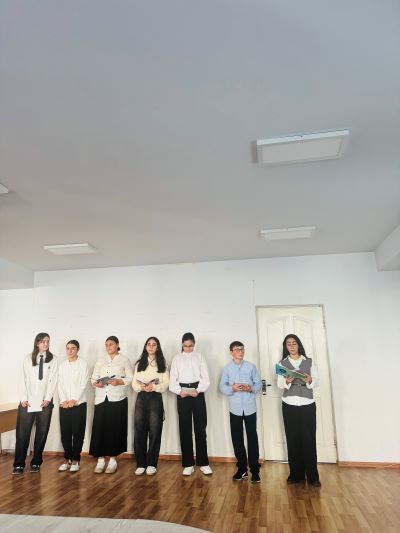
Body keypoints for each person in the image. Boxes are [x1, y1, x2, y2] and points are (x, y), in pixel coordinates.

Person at [277, 334, 321, 487]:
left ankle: (313, 476)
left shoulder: (309, 361)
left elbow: (316, 381)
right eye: (288, 344)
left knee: (308, 440)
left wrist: (309, 380)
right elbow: (279, 384)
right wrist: (287, 381)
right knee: (293, 439)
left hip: (307, 403)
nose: (292, 346)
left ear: (298, 345)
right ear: (286, 347)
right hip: (289, 404)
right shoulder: (282, 364)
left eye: (294, 343)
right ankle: (296, 475)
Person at [12, 332, 58, 475]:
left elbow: (53, 380)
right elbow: (23, 379)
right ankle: (19, 464)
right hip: (28, 401)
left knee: (42, 433)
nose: (46, 344)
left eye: (48, 341)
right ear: (37, 343)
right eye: (43, 341)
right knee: (22, 433)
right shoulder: (28, 358)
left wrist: (48, 398)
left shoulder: (53, 359)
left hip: (45, 401)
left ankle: (36, 463)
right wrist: (23, 398)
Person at [169, 332, 212, 476]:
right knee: (185, 428)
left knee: (200, 427)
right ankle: (188, 464)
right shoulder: (176, 358)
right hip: (182, 393)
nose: (188, 348)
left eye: (190, 346)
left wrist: (197, 390)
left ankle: (203, 463)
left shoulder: (199, 357)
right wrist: (179, 391)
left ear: (194, 344)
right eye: (185, 346)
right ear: (182, 345)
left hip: (197, 392)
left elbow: (205, 378)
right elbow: (172, 380)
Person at [89, 335, 133, 474]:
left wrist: (119, 381)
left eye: (111, 344)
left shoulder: (124, 360)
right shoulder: (100, 360)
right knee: (99, 429)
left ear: (117, 345)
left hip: (117, 398)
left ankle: (113, 460)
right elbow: (93, 379)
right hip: (101, 398)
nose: (109, 347)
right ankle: (101, 460)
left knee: (115, 429)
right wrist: (96, 383)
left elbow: (130, 377)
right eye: (107, 345)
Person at [219, 341, 262, 483]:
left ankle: (255, 470)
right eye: (237, 349)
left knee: (252, 438)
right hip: (235, 408)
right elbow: (222, 387)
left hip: (250, 407)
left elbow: (258, 384)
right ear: (231, 352)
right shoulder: (227, 369)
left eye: (242, 349)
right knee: (237, 438)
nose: (241, 352)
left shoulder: (251, 366)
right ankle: (242, 468)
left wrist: (251, 388)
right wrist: (232, 388)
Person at [132, 337, 169, 476]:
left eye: (154, 344)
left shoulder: (162, 363)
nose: (151, 346)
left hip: (155, 397)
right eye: (149, 344)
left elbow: (166, 384)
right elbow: (134, 383)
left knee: (155, 430)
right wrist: (140, 386)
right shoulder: (139, 363)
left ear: (157, 347)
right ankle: (141, 463)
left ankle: (152, 463)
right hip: (141, 397)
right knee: (139, 430)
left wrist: (154, 387)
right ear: (145, 347)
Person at [57, 339, 89, 473]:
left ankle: (76, 459)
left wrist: (74, 399)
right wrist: (64, 400)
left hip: (79, 404)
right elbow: (60, 384)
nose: (70, 351)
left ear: (78, 349)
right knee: (65, 433)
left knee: (78, 433)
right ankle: (67, 459)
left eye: (73, 348)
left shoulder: (83, 364)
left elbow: (84, 383)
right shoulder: (62, 366)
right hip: (64, 405)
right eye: (68, 348)